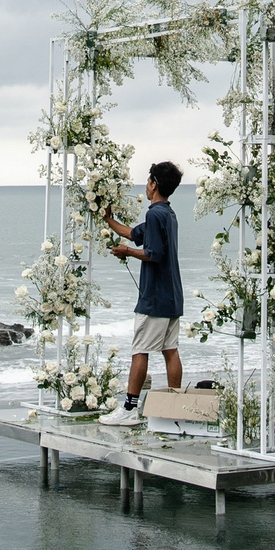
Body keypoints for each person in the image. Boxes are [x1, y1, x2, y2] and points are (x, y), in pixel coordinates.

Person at [99, 161, 184, 426]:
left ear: (154, 183)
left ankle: (129, 409)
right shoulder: (167, 214)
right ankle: (174, 407)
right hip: (172, 295)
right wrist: (108, 219)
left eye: (148, 181)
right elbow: (133, 234)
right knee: (170, 350)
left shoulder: (155, 215)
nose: (146, 185)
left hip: (154, 297)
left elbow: (152, 254)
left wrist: (126, 252)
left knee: (140, 350)